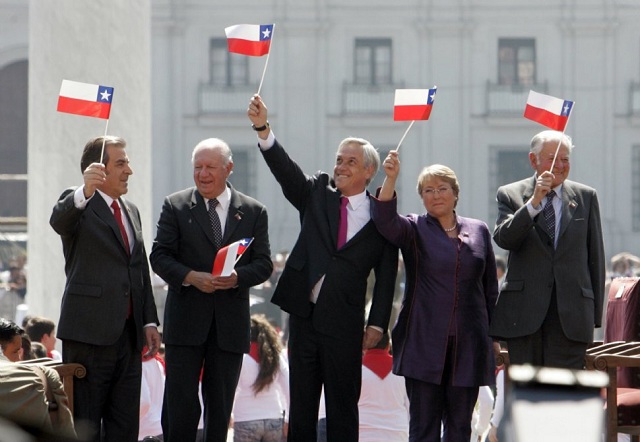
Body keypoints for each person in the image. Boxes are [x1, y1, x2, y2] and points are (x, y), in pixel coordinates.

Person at [247, 95, 398, 441]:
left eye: (350, 161)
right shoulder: (316, 193)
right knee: (301, 408)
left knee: (343, 409)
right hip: (303, 317)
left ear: (368, 171)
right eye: (338, 160)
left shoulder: (382, 219)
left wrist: (377, 323)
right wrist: (263, 130)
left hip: (345, 324)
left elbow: (388, 276)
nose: (341, 166)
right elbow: (286, 172)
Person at [150, 137, 272, 442]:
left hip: (229, 326)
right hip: (185, 323)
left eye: (210, 167)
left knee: (220, 409)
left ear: (229, 168)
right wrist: (191, 276)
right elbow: (159, 256)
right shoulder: (176, 206)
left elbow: (264, 264)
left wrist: (237, 278)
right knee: (180, 408)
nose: (203, 174)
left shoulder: (254, 211)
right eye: (198, 167)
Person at [371, 152, 499, 441]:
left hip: (469, 345)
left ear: (455, 194)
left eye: (442, 188)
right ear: (421, 198)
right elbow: (384, 220)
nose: (436, 195)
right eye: (428, 190)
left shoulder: (478, 230)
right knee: (424, 426)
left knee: (459, 427)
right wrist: (390, 178)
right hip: (424, 343)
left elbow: (490, 288)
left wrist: (496, 338)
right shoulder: (414, 227)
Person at [50, 135, 161, 441]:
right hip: (88, 335)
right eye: (121, 163)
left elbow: (139, 268)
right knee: (86, 425)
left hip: (128, 337)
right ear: (99, 169)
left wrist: (149, 320)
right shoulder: (78, 204)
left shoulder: (131, 210)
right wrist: (84, 190)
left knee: (125, 426)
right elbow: (59, 220)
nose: (130, 170)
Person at [490, 130, 606, 369]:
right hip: (524, 316)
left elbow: (595, 259)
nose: (560, 166)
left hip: (571, 317)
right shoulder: (511, 194)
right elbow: (504, 238)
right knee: (528, 397)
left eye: (565, 159)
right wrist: (533, 203)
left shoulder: (586, 197)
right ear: (533, 160)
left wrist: (592, 316)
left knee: (564, 397)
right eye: (553, 159)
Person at [232, 314, 289, 442]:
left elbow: (231, 389)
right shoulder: (276, 356)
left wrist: (228, 414)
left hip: (245, 418)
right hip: (274, 418)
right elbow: (288, 387)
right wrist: (288, 418)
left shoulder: (240, 357)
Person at [358, 333, 410, 442]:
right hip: (397, 434)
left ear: (363, 345)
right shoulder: (403, 370)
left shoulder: (352, 370)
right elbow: (411, 408)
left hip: (361, 433)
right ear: (388, 346)